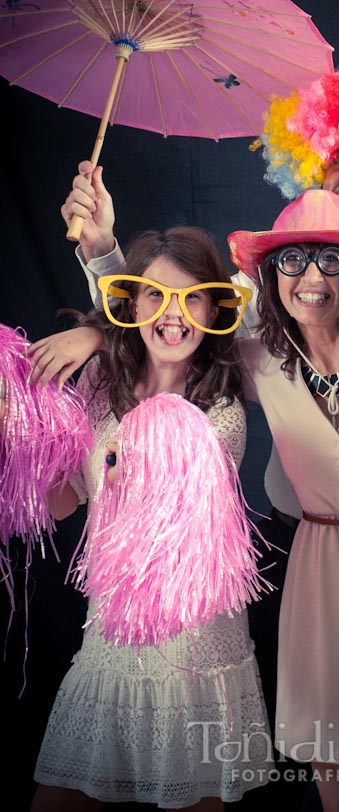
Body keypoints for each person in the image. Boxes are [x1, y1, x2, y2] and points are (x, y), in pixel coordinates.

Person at [29, 189, 339, 811]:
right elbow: (158, 317)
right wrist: (88, 322)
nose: (310, 278)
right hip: (277, 581)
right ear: (272, 276)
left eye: (332, 259)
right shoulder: (249, 361)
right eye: (291, 261)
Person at [17, 226, 275, 811]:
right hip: (110, 642)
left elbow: (172, 527)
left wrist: (123, 464)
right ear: (131, 303)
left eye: (192, 297)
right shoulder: (99, 388)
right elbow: (64, 498)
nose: (174, 314)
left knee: (192, 800)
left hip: (191, 651)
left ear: (214, 308)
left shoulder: (222, 410)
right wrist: (26, 435)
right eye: (156, 295)